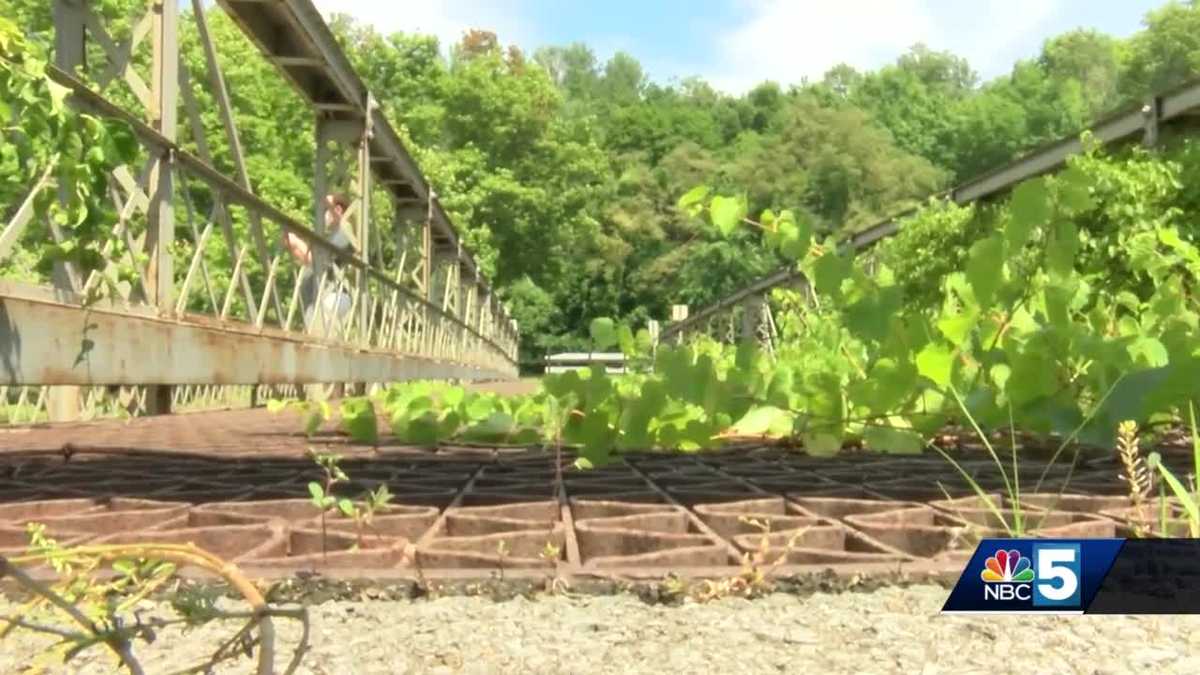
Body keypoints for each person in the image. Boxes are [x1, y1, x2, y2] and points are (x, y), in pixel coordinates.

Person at [285, 193, 356, 334]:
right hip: (323, 298)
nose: (323, 215)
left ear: (338, 210)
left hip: (333, 297)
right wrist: (294, 246)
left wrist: (296, 242)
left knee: (315, 341)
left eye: (325, 209)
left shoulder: (344, 235)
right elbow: (310, 261)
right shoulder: (332, 236)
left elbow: (316, 261)